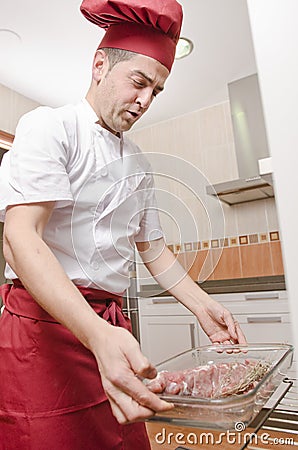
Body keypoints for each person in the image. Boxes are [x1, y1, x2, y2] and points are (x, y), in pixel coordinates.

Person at [0, 0, 246, 448]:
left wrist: (201, 304)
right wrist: (98, 335)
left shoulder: (138, 162)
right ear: (99, 65)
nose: (145, 100)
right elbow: (20, 239)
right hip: (45, 332)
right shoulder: (50, 127)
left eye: (157, 91)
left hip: (111, 333)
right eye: (139, 81)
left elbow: (152, 247)